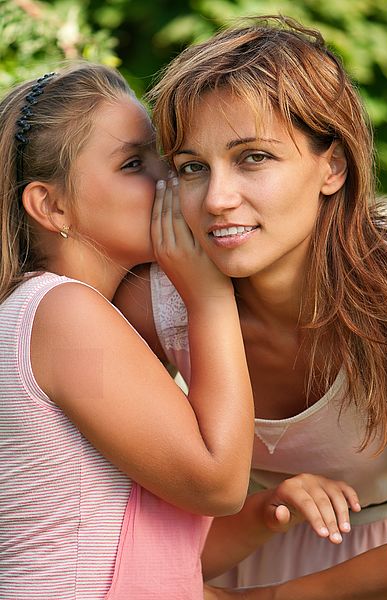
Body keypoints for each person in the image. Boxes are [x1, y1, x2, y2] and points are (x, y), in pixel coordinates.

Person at [0, 61, 360, 599]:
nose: (168, 179)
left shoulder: (77, 313)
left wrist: (267, 513)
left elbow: (150, 546)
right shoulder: (62, 313)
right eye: (132, 163)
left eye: (165, 158)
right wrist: (210, 300)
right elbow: (217, 482)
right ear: (50, 206)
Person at [113, 14, 387, 599]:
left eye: (253, 158)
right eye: (193, 167)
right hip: (233, 555)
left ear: (332, 167)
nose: (217, 199)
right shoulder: (158, 304)